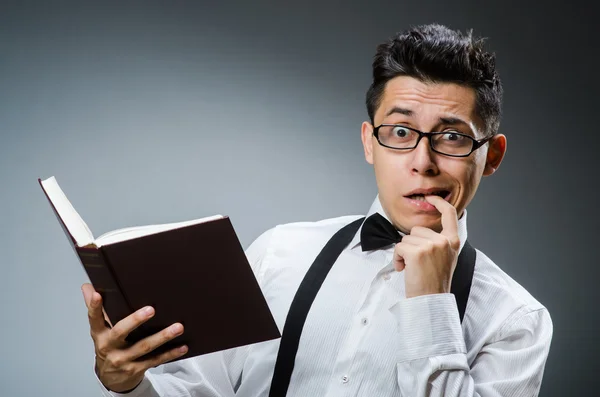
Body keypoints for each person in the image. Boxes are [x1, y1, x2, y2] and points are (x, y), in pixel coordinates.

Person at [83, 23, 553, 396]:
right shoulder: (279, 252)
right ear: (370, 143)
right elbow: (197, 390)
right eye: (400, 133)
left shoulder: (515, 321)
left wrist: (431, 305)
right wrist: (129, 384)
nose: (422, 163)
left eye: (451, 137)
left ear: (491, 156)